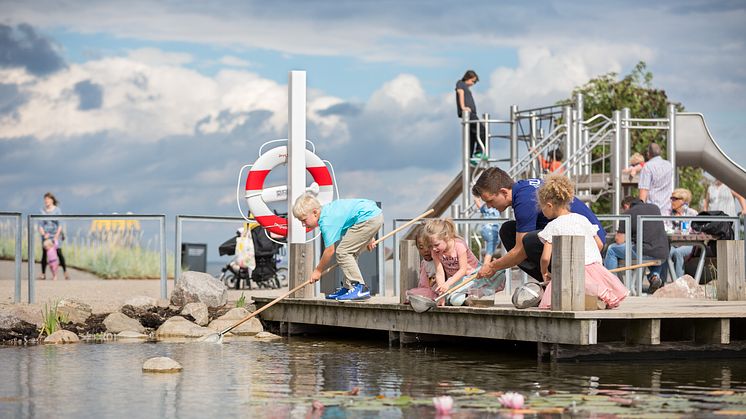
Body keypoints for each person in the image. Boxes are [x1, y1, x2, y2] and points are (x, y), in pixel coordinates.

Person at [472, 167, 606, 282]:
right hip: (588, 241)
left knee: (529, 241)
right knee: (508, 230)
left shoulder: (524, 200)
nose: (489, 206)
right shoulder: (524, 188)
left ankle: (554, 284)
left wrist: (492, 266)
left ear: (503, 192)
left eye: (490, 201)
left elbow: (520, 251)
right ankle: (549, 281)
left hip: (585, 248)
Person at [535, 176, 628, 309]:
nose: (542, 212)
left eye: (542, 208)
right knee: (595, 290)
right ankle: (599, 298)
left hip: (572, 272)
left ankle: (591, 299)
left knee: (559, 298)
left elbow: (545, 257)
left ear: (549, 205)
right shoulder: (582, 219)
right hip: (595, 269)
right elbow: (600, 244)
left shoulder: (553, 226)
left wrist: (544, 272)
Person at [292, 193, 383, 301]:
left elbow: (329, 251)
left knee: (342, 252)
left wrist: (318, 271)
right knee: (350, 252)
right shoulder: (328, 210)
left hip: (367, 218)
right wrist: (369, 237)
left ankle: (359, 287)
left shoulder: (326, 222)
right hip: (372, 215)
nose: (303, 224)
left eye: (304, 220)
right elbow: (354, 220)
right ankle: (348, 287)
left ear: (315, 212)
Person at [603, 196, 670, 293]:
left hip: (643, 252)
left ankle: (611, 284)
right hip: (662, 253)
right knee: (654, 250)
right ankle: (655, 277)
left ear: (626, 206)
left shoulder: (628, 213)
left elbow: (619, 240)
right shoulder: (655, 208)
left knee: (612, 249)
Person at [424, 218, 480, 306]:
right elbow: (440, 273)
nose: (434, 248)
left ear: (446, 237)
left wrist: (447, 284)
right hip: (455, 279)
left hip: (471, 277)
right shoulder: (435, 251)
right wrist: (441, 295)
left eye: (436, 245)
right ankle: (462, 297)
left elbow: (463, 270)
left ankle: (469, 296)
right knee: (442, 297)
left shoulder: (459, 245)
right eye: (431, 246)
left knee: (455, 301)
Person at [455, 70, 486, 164]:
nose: (473, 83)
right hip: (468, 114)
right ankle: (479, 152)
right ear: (468, 78)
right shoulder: (460, 83)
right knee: (481, 130)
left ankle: (470, 157)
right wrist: (463, 107)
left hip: (471, 113)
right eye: (472, 81)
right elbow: (460, 94)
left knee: (472, 136)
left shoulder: (465, 86)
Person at [37, 192, 69, 280]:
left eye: (48, 199)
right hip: (46, 236)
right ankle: (43, 273)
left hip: (56, 235)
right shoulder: (42, 211)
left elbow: (60, 224)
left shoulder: (57, 210)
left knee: (59, 253)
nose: (46, 201)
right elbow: (40, 225)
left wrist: (56, 236)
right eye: (45, 199)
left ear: (52, 200)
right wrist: (44, 234)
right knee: (44, 254)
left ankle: (65, 272)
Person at [669, 188, 698, 278]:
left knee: (678, 253)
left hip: (691, 244)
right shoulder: (670, 214)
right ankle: (660, 282)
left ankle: (678, 283)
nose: (672, 201)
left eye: (675, 199)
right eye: (671, 198)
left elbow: (691, 231)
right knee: (664, 252)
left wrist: (682, 216)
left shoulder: (691, 213)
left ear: (683, 201)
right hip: (674, 243)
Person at [638, 142, 673, 217]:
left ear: (648, 153)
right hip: (667, 210)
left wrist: (641, 211)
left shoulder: (647, 167)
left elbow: (644, 190)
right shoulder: (669, 165)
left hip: (652, 211)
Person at [405, 227, 438, 302]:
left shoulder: (439, 260)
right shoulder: (424, 263)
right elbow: (423, 284)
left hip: (439, 291)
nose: (426, 250)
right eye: (421, 247)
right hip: (428, 291)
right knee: (412, 293)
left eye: (429, 246)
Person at [474, 195, 501, 266]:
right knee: (490, 249)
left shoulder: (484, 208)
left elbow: (478, 204)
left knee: (495, 244)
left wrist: (476, 195)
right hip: (492, 231)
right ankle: (486, 264)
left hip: (485, 230)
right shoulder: (497, 207)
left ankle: (492, 259)